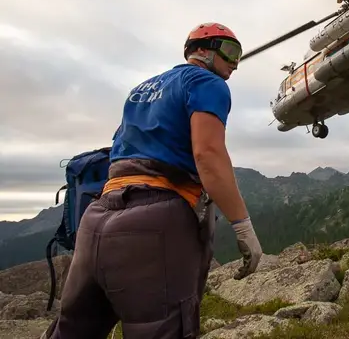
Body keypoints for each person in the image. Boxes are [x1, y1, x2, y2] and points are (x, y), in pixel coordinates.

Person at [42, 22, 263, 339]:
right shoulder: (207, 82)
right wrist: (242, 227)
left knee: (72, 331)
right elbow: (208, 156)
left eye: (238, 54)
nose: (234, 63)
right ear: (200, 50)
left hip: (96, 220)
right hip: (155, 222)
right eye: (229, 51)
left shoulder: (140, 90)